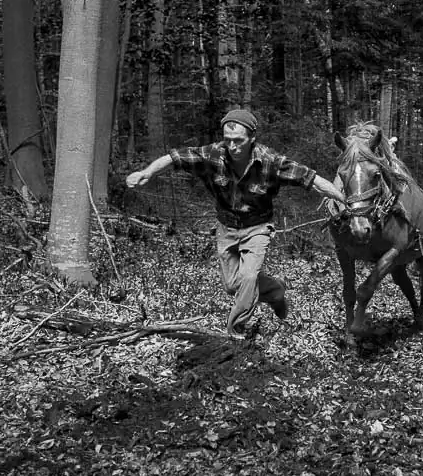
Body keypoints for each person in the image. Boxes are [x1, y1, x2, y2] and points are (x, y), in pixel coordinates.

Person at [126, 109, 346, 339]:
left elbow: (312, 179)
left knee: (249, 277)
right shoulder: (212, 154)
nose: (232, 146)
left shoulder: (270, 161)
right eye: (228, 140)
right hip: (226, 228)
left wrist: (342, 199)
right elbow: (174, 158)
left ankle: (235, 331)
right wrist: (147, 172)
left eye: (238, 140)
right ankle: (275, 290)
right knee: (233, 286)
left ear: (252, 138)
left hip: (257, 228)